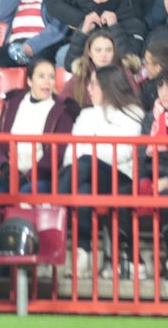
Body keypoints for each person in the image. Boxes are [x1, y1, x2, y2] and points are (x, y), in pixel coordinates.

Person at [58, 65, 146, 276]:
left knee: (86, 161)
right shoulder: (86, 114)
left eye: (95, 84)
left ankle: (53, 205)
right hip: (85, 176)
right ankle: (83, 252)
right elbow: (71, 154)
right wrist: (93, 152)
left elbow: (122, 153)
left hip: (120, 178)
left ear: (109, 86)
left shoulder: (133, 113)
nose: (89, 88)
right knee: (84, 191)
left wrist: (90, 152)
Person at [0, 56, 80, 194]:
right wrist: (4, 167)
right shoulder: (12, 103)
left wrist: (28, 177)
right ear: (29, 81)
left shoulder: (64, 109)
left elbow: (57, 153)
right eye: (41, 76)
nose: (47, 82)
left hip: (42, 177)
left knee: (27, 191)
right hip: (9, 173)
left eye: (51, 77)